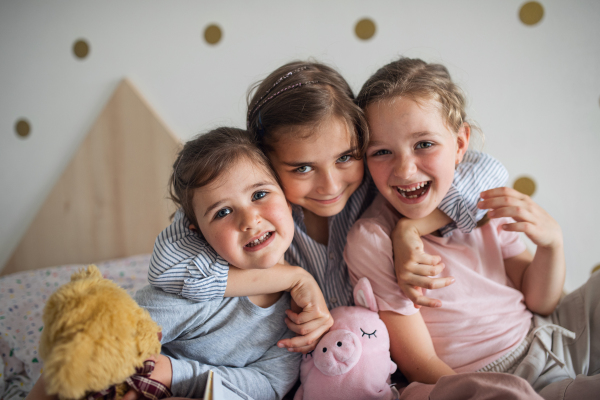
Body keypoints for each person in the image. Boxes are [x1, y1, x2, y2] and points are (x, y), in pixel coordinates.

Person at [148, 60, 510, 355]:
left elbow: (487, 171)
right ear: (267, 164)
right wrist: (294, 277)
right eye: (302, 168)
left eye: (344, 157)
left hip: (380, 359)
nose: (331, 185)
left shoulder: (378, 177)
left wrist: (410, 228)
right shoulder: (254, 214)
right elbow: (167, 266)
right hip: (297, 366)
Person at [345, 56, 600, 397]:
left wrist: (552, 244)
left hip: (551, 337)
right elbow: (420, 363)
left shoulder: (480, 199)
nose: (405, 170)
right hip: (486, 378)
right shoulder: (371, 238)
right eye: (381, 152)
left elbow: (540, 300)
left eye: (424, 144)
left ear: (460, 144)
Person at [135, 127, 305, 399]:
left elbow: (271, 385)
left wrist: (176, 374)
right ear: (198, 232)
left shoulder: (298, 307)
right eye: (223, 212)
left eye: (259, 194)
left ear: (287, 197)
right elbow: (110, 335)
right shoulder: (192, 287)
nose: (249, 221)